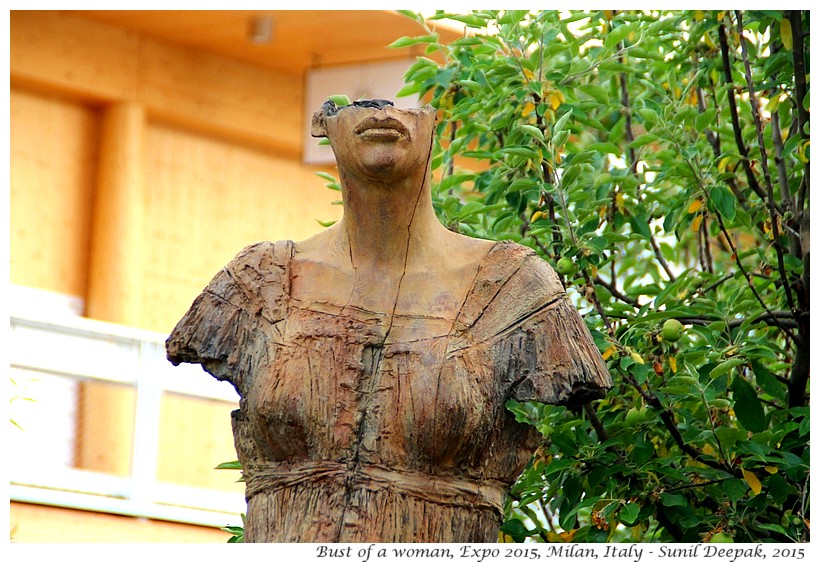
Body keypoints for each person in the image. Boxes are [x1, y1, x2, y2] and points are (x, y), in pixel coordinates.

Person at [166, 98, 610, 542]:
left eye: (410, 110)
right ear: (324, 127)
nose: (383, 114)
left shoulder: (513, 286)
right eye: (357, 107)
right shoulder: (258, 281)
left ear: (435, 127)